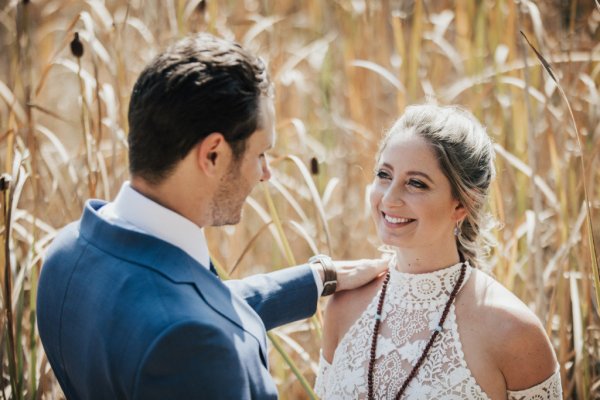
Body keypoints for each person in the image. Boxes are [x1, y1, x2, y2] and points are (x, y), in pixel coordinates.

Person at [36, 33, 387, 400]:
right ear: (214, 154)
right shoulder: (194, 343)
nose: (265, 173)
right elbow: (190, 326)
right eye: (260, 154)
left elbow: (176, 302)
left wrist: (318, 277)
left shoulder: (66, 252)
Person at [314, 104, 562, 399]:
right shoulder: (344, 305)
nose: (390, 198)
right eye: (384, 175)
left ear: (461, 204)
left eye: (415, 183)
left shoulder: (513, 330)